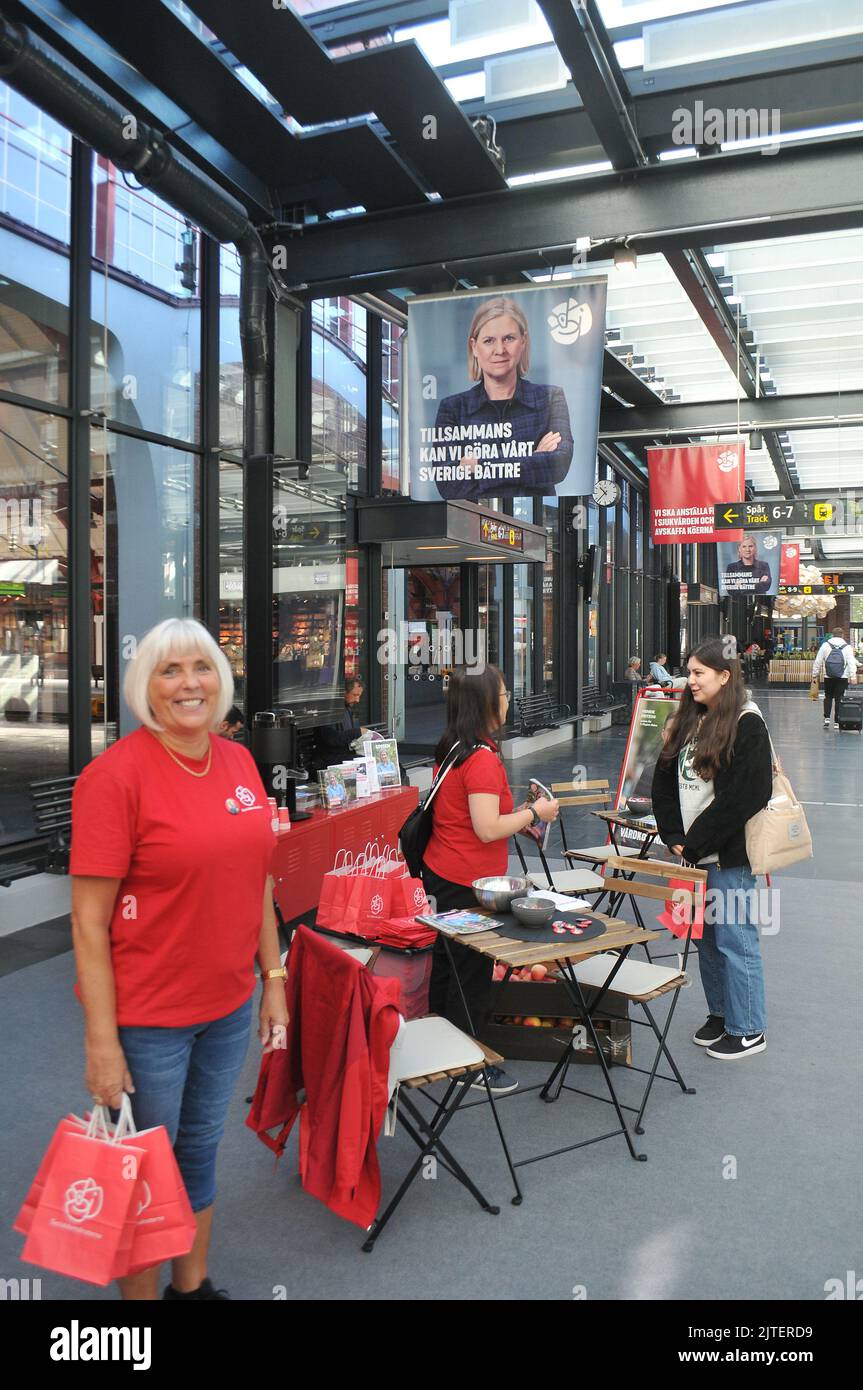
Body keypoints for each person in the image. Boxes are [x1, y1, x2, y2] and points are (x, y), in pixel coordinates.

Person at [70, 618, 287, 1301]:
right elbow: (87, 922)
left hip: (226, 1006)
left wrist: (272, 979)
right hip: (147, 1019)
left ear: (219, 681)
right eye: (169, 671)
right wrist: (102, 1043)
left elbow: (258, 879)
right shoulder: (114, 778)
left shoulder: (238, 761)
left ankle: (190, 1290)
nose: (188, 683)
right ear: (145, 685)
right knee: (141, 1169)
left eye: (200, 667)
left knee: (196, 1152)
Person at [421, 665, 560, 1093]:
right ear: (485, 702)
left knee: (447, 962)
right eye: (501, 691)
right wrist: (536, 813)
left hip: (442, 870)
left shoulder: (453, 747)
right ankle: (468, 1063)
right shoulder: (480, 758)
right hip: (467, 879)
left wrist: (516, 817)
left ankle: (439, 1049)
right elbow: (484, 828)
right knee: (472, 970)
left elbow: (473, 817)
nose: (507, 697)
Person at [651, 637, 773, 1061]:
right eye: (689, 671)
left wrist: (695, 842)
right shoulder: (689, 718)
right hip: (692, 852)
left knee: (735, 939)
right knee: (704, 940)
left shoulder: (747, 722)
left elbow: (747, 795)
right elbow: (663, 780)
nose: (691, 680)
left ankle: (749, 1028)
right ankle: (722, 1014)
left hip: (727, 855)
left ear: (725, 676)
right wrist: (673, 836)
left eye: (699, 673)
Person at [432, 296, 573, 500]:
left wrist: (479, 466)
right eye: (489, 340)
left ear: (523, 341)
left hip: (537, 521)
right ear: (474, 347)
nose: (500, 350)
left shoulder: (550, 398)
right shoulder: (453, 409)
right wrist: (532, 459)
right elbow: (449, 486)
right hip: (472, 527)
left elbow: (558, 465)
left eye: (509, 338)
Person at [812, 627, 857, 729]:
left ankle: (827, 718)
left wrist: (815, 674)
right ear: (842, 635)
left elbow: (818, 661)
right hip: (843, 677)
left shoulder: (825, 645)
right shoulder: (847, 647)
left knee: (828, 696)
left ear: (832, 635)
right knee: (839, 698)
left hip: (828, 676)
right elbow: (851, 662)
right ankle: (837, 721)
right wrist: (853, 676)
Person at [314, 677, 365, 765]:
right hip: (330, 758)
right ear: (344, 692)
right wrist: (357, 732)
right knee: (366, 761)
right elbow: (331, 738)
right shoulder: (329, 709)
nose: (357, 700)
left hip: (342, 753)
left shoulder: (347, 708)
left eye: (359, 696)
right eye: (355, 695)